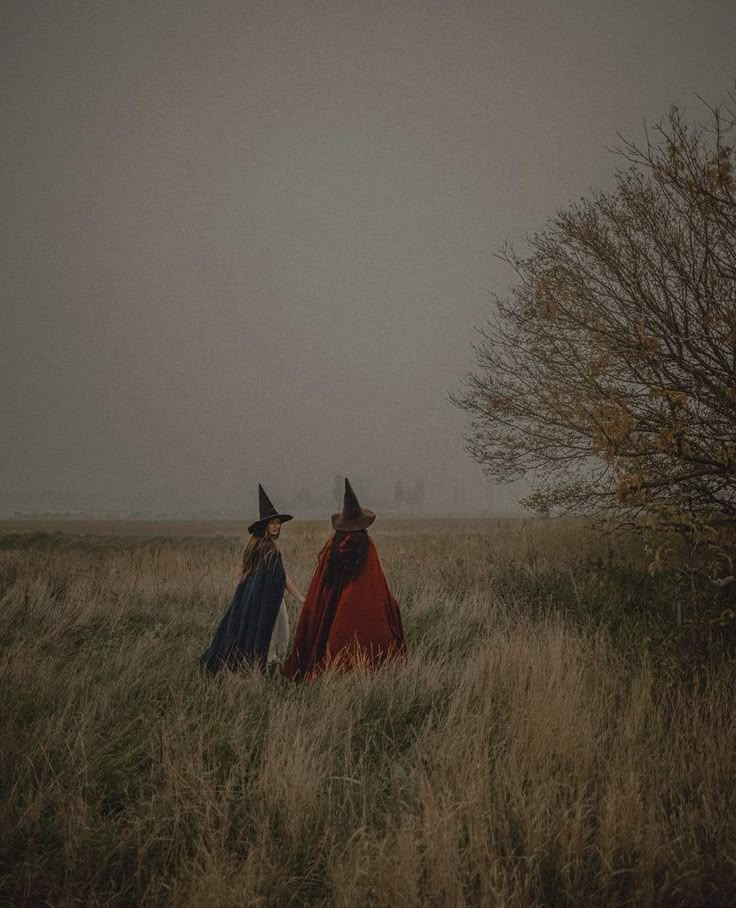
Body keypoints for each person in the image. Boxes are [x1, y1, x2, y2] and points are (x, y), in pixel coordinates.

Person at [282, 478, 405, 681]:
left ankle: (334, 669)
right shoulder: (366, 543)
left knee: (330, 634)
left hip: (335, 606)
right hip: (364, 608)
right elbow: (376, 583)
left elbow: (322, 584)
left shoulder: (334, 544)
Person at [200, 484, 304, 673]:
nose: (276, 526)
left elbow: (252, 574)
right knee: (277, 632)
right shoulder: (270, 550)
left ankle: (257, 665)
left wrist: (243, 597)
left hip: (253, 599)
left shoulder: (254, 545)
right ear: (265, 525)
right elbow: (282, 578)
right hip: (267, 601)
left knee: (253, 631)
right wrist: (300, 598)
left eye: (278, 523)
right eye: (272, 523)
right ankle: (269, 667)